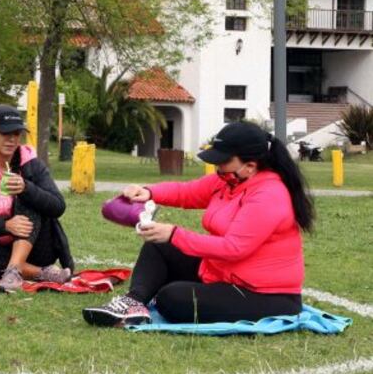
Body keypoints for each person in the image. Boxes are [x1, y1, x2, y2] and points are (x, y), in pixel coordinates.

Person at [83, 121, 314, 326]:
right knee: (159, 245)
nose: (218, 167)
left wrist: (174, 234)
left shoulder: (269, 194)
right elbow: (186, 192)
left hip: (263, 295)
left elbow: (234, 248)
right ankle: (132, 303)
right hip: (222, 274)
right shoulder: (228, 180)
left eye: (223, 161)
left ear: (250, 166)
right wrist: (148, 191)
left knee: (171, 299)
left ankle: (148, 300)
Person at [0, 104, 75, 292]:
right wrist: (5, 225)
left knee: (28, 198)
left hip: (37, 247)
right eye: (5, 133)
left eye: (16, 134)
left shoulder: (32, 165)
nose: (12, 139)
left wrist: (27, 188)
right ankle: (38, 273)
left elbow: (58, 206)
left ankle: (14, 270)